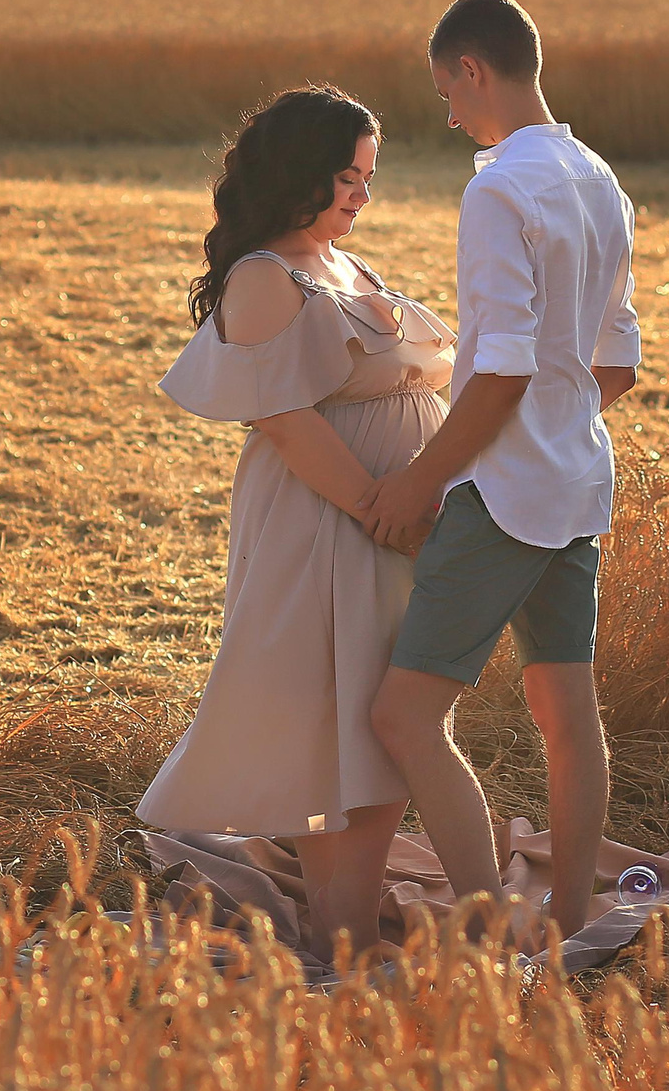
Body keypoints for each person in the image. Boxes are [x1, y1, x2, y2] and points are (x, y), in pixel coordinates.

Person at [139, 85, 456, 966]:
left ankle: (344, 920)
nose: (363, 194)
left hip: (391, 529)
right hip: (329, 526)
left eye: (368, 176)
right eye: (347, 176)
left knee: (390, 715)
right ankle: (340, 931)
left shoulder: (344, 265)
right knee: (336, 718)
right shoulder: (264, 277)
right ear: (299, 173)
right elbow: (284, 420)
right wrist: (378, 509)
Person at [361, 0, 641, 948]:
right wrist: (559, 426)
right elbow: (618, 365)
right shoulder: (602, 177)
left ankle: (484, 930)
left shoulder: (498, 189)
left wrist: (423, 479)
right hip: (577, 484)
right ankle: (571, 919)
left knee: (404, 716)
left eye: (447, 91)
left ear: (474, 69)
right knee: (569, 714)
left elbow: (502, 373)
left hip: (503, 491)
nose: (448, 114)